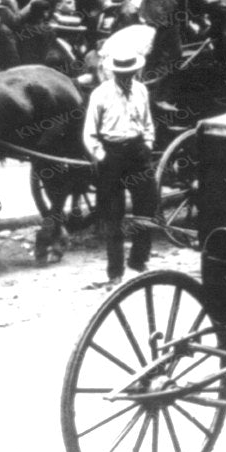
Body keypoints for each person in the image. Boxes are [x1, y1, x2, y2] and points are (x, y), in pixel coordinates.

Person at [81, 51, 157, 288]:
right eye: (122, 75)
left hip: (137, 153)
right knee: (113, 216)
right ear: (115, 73)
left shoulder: (141, 90)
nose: (126, 78)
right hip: (111, 154)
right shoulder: (100, 94)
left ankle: (139, 261)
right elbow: (90, 132)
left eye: (130, 74)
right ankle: (115, 271)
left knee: (147, 208)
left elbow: (148, 123)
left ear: (135, 72)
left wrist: (147, 144)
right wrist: (102, 156)